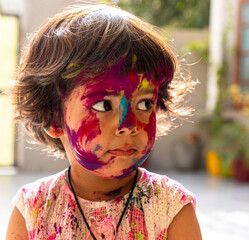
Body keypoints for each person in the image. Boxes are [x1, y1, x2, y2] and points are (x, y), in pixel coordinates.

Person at [6, 3, 202, 240]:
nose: (129, 124)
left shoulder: (171, 207)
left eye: (144, 104)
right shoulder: (33, 209)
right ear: (52, 117)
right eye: (103, 105)